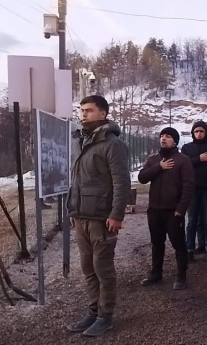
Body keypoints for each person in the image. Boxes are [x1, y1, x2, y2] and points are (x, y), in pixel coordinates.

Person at [66, 95, 130, 337]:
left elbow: (121, 182)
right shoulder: (81, 141)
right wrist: (74, 210)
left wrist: (117, 214)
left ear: (103, 114)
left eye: (89, 110)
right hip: (82, 216)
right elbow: (77, 180)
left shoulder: (112, 143)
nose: (83, 114)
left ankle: (106, 316)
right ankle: (92, 312)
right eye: (82, 110)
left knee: (102, 268)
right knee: (87, 268)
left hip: (103, 218)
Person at [137, 127, 195, 290]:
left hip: (173, 211)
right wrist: (159, 167)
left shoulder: (183, 160)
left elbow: (188, 186)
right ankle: (156, 273)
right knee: (157, 243)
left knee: (178, 244)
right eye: (162, 136)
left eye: (168, 136)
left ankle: (181, 276)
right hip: (154, 209)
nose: (163, 138)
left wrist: (181, 209)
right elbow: (142, 178)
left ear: (175, 141)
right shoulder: (153, 159)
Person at [181, 121, 207, 263]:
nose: (199, 134)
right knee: (192, 220)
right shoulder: (187, 148)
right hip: (192, 189)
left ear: (206, 132)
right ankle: (189, 250)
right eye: (196, 131)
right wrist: (199, 159)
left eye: (201, 131)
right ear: (193, 133)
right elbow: (184, 165)